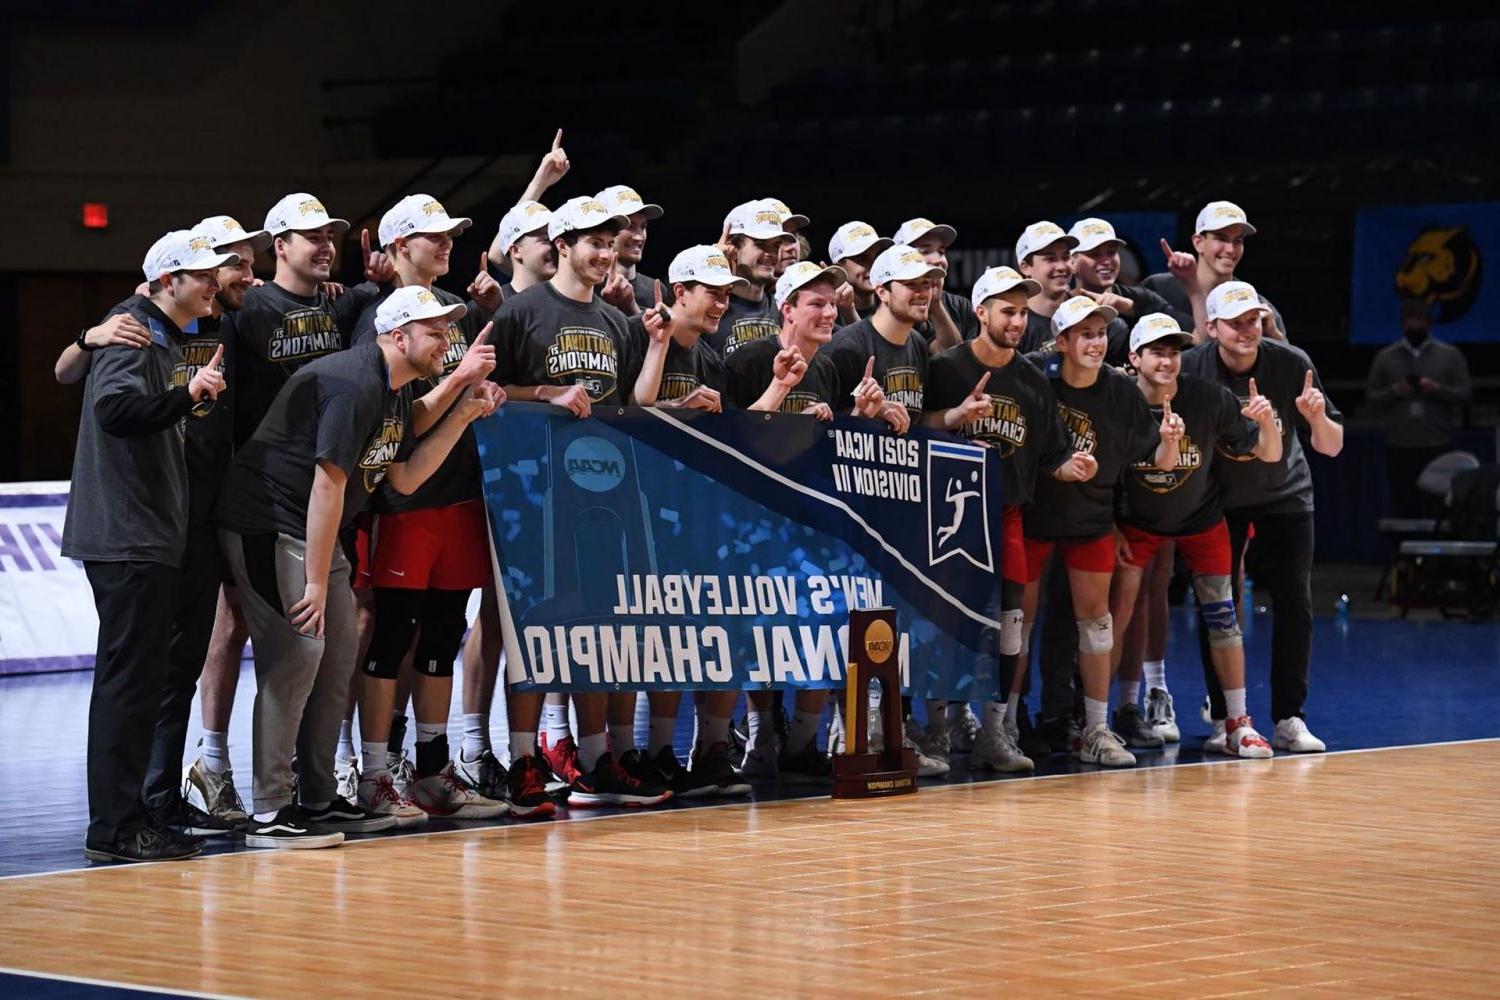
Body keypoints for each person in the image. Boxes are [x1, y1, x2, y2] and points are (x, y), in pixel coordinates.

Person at [215, 285, 503, 848]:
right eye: (435, 332)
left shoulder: (394, 388)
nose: (447, 342)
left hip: (315, 530)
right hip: (269, 522)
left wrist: (464, 412)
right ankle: (272, 809)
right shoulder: (352, 383)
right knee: (298, 652)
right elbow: (327, 484)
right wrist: (319, 581)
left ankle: (320, 800)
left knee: (340, 654)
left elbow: (405, 475)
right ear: (398, 337)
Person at [64, 230, 239, 863]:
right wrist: (184, 397)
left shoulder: (160, 333)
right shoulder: (134, 329)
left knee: (138, 681)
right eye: (201, 275)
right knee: (128, 683)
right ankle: (113, 827)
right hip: (128, 533)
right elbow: (115, 411)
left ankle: (130, 816)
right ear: (167, 281)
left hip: (145, 532)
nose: (213, 283)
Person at [490, 195, 671, 807]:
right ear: (561, 245)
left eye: (609, 243)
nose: (604, 253)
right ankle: (522, 760)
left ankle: (596, 760)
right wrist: (544, 392)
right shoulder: (521, 312)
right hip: (528, 489)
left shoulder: (619, 324)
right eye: (592, 242)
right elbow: (488, 391)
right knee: (533, 629)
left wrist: (654, 348)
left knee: (596, 624)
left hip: (597, 488)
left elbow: (627, 408)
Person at [348, 194, 518, 824]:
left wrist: (486, 389)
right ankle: (368, 768)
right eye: (432, 236)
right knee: (387, 633)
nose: (446, 245)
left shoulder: (458, 317)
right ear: (396, 247)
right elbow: (393, 421)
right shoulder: (371, 314)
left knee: (444, 634)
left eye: (451, 235)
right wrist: (459, 382)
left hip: (460, 495)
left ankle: (432, 766)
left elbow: (465, 388)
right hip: (399, 500)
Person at [922, 266, 1089, 773]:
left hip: (1007, 514)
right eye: (1007, 311)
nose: (1017, 321)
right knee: (942, 624)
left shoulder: (1034, 381)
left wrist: (1072, 466)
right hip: (946, 513)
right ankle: (937, 729)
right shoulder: (946, 369)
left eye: (1022, 312)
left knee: (1012, 628)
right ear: (981, 312)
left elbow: (1052, 454)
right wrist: (951, 420)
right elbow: (912, 431)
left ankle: (996, 730)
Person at [1181, 281, 1343, 752]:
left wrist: (1315, 418)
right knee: (1216, 605)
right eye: (1234, 323)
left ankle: (1290, 717)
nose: (1247, 330)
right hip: (1217, 500)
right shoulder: (1192, 369)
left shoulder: (1292, 362)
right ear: (1212, 328)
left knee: (1295, 602)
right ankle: (1226, 716)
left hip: (1285, 495)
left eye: (1252, 320)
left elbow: (1331, 446)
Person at [1110, 313, 1281, 757]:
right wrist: (1110, 526)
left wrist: (1267, 424)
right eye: (1157, 352)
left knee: (1224, 617)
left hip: (1200, 520)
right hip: (1137, 521)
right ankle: (1108, 717)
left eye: (1174, 352)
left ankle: (1237, 722)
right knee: (1116, 618)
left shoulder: (1208, 398)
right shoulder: (1118, 400)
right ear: (1134, 358)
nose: (1167, 360)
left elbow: (1269, 454)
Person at [1019, 296, 1170, 767]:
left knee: (1097, 626)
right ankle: (1000, 724)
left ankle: (1097, 729)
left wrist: (1170, 445)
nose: (1096, 343)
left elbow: (1153, 460)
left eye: (1101, 334)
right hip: (1033, 518)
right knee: (1016, 628)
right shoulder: (1033, 378)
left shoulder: (1122, 392)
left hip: (1091, 522)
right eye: (1085, 334)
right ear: (1061, 342)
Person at [624, 244, 750, 796]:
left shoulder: (711, 356)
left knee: (702, 630)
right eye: (713, 293)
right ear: (680, 292)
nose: (723, 303)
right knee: (653, 637)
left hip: (693, 510)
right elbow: (631, 414)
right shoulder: (639, 336)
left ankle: (698, 748)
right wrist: (658, 355)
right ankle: (649, 751)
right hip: (638, 510)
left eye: (727, 294)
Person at [827, 244, 949, 776]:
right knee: (850, 621)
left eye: (927, 283)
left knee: (897, 623)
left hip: (900, 501)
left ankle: (892, 729)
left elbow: (915, 426)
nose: (923, 292)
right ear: (881, 291)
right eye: (911, 285)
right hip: (851, 502)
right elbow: (823, 429)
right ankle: (848, 730)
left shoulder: (918, 347)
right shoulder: (849, 346)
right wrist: (863, 417)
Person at [1365, 298, 1473, 517]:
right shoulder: (1386, 357)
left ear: (1429, 323)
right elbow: (1371, 399)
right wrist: (1395, 391)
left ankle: (1440, 548)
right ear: (1403, 324)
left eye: (1420, 321)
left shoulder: (1450, 355)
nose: (1416, 327)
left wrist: (1436, 389)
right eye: (1411, 322)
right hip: (1399, 445)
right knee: (1403, 505)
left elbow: (1465, 395)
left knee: (1440, 505)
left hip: (1438, 443)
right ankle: (1403, 550)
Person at [1143, 200, 1287, 340]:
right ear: (1198, 243)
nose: (1230, 249)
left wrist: (1274, 336)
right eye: (1221, 239)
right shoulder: (1158, 288)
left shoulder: (1256, 306)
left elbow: (1292, 362)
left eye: (1238, 240)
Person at [708, 200, 795, 357]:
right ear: (731, 246)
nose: (770, 254)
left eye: (775, 246)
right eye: (760, 244)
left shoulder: (784, 309)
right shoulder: (710, 309)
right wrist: (710, 265)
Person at [891, 217, 978, 351]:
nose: (939, 260)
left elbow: (961, 362)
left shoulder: (961, 306)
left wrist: (936, 302)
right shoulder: (892, 306)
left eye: (941, 252)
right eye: (925, 251)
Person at [597, 185, 666, 314]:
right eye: (629, 226)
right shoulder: (589, 286)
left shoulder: (656, 290)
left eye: (643, 226)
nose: (639, 236)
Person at [1014, 221, 1079, 354]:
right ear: (1025, 267)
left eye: (1066, 257)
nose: (1061, 267)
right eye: (1050, 259)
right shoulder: (1015, 325)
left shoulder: (1088, 314)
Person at [828, 221, 892, 326]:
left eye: (877, 257)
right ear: (839, 267)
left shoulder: (896, 303)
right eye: (862, 259)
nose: (874, 266)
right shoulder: (827, 317)